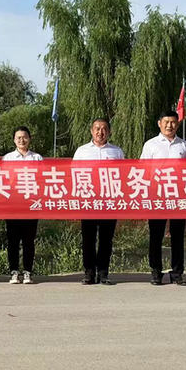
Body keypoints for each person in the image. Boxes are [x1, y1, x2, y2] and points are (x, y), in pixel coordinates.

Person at [139, 110, 186, 286]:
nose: (169, 125)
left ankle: (177, 273)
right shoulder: (150, 145)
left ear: (177, 124)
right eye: (166, 122)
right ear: (159, 123)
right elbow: (142, 169)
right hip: (157, 195)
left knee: (178, 236)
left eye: (173, 122)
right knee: (156, 235)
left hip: (178, 195)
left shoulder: (184, 146)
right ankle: (156, 271)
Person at [73, 118, 125, 285]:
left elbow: (123, 174)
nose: (100, 132)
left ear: (109, 132)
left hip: (109, 201)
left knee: (106, 240)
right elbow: (73, 174)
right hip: (88, 201)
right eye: (97, 128)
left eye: (104, 129)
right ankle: (89, 273)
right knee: (88, 239)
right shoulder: (82, 151)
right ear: (91, 131)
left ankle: (103, 273)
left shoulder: (116, 152)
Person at [3, 126, 43, 285]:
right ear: (14, 140)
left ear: (29, 139)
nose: (21, 140)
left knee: (28, 240)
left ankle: (27, 271)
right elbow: (3, 180)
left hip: (31, 203)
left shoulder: (37, 158)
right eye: (18, 137)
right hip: (12, 203)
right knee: (12, 240)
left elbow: (42, 179)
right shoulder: (7, 158)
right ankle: (14, 271)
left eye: (24, 137)